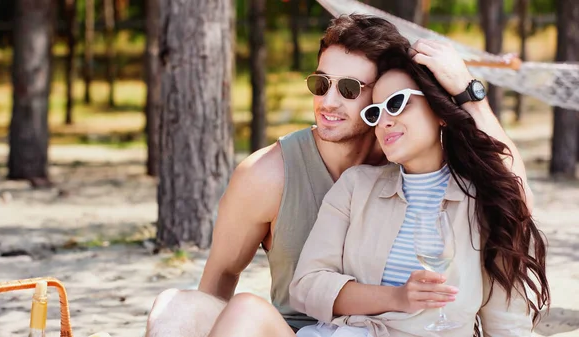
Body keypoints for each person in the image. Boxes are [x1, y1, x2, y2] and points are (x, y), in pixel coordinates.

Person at [146, 15, 536, 337]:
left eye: (349, 89)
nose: (328, 102)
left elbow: (512, 198)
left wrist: (469, 95)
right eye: (321, 84)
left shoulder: (406, 154)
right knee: (175, 309)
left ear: (383, 92)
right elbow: (221, 277)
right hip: (297, 330)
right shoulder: (267, 175)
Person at [288, 44, 550, 336]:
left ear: (440, 111)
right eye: (375, 112)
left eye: (398, 103)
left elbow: (506, 321)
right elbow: (306, 287)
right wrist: (397, 298)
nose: (385, 120)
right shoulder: (356, 186)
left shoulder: (481, 200)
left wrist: (468, 93)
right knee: (247, 309)